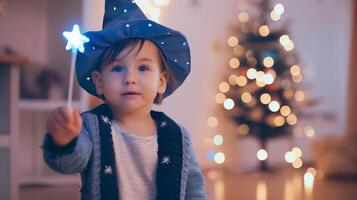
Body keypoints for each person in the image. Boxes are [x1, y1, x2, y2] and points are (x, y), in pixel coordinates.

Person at [42, 0, 207, 200]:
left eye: (143, 68)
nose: (130, 78)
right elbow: (70, 162)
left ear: (161, 82)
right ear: (99, 82)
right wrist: (64, 140)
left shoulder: (178, 137)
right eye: (118, 68)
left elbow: (194, 191)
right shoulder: (90, 127)